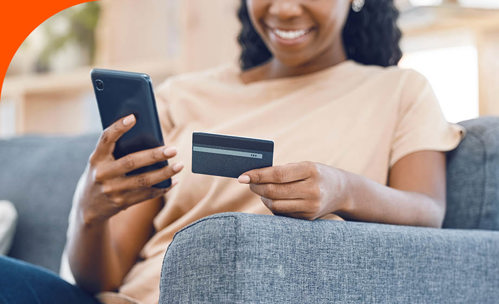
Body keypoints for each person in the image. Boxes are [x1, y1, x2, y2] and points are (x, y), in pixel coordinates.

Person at [0, 0, 464, 303]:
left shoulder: (399, 91)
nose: (283, 9)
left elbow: (429, 211)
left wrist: (343, 190)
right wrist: (89, 209)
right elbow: (101, 282)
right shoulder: (183, 96)